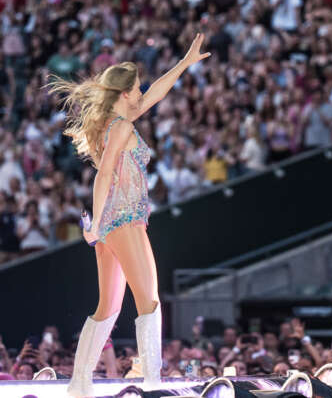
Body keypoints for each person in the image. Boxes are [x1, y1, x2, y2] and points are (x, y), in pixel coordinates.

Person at [47, 33, 210, 397]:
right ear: (123, 93)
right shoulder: (120, 127)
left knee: (108, 307)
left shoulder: (120, 120)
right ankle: (152, 383)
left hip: (112, 223)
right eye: (136, 88)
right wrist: (101, 224)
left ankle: (79, 383)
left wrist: (184, 62)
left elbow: (158, 92)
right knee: (148, 300)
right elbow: (103, 174)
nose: (141, 92)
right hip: (122, 219)